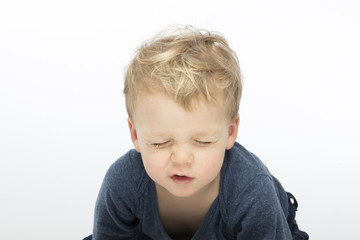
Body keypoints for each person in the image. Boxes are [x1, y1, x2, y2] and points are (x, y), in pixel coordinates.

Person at [86, 26, 309, 240]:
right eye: (160, 142)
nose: (182, 158)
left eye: (202, 141)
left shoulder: (252, 190)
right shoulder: (123, 181)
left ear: (230, 132)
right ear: (135, 135)